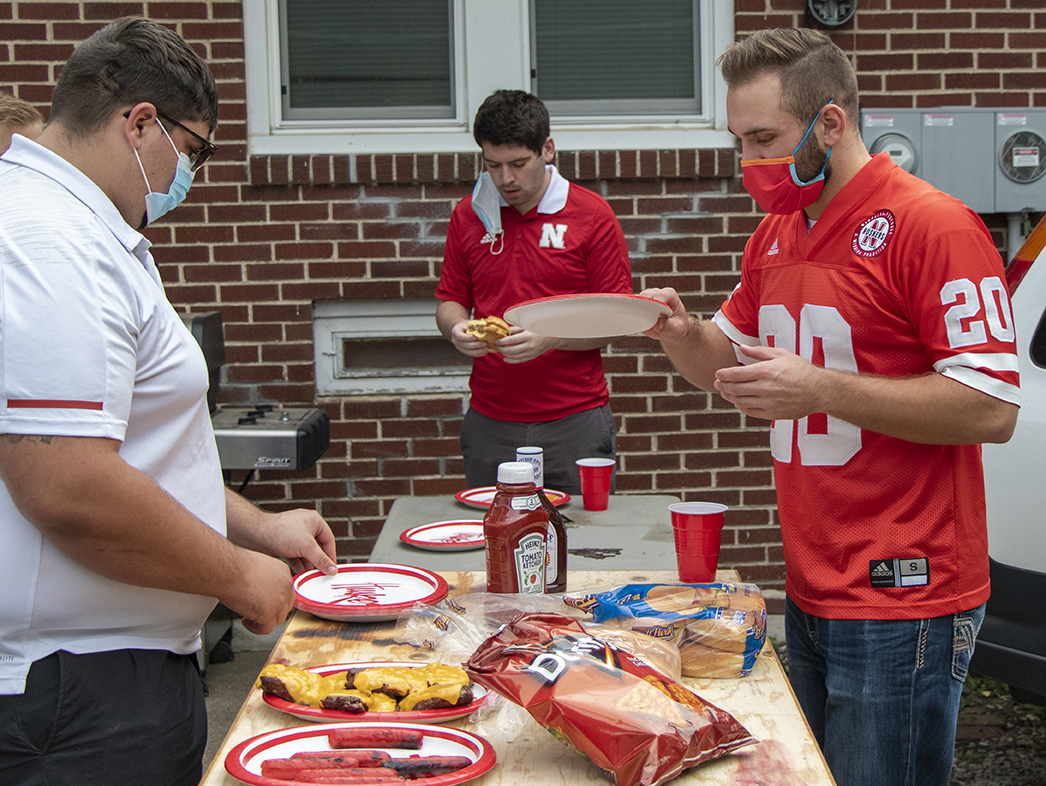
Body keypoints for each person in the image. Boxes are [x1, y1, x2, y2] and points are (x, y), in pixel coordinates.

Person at [641, 28, 1021, 786]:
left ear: (831, 123)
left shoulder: (934, 224)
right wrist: (678, 333)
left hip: (905, 589)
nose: (748, 162)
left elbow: (990, 407)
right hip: (813, 576)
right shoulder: (777, 233)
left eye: (764, 139)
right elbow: (727, 359)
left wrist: (820, 388)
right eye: (737, 141)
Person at [0, 17, 338, 786]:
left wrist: (258, 525)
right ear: (140, 122)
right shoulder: (50, 241)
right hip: (77, 695)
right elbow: (69, 485)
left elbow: (136, 457)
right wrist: (236, 575)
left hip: (107, 679)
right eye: (192, 152)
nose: (191, 175)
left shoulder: (83, 227)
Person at [435, 90, 632, 494]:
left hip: (574, 422)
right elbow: (450, 301)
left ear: (547, 149)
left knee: (587, 548)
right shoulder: (468, 215)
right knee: (491, 546)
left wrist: (551, 339)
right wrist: (457, 328)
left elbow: (620, 316)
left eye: (518, 163)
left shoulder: (592, 215)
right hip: (490, 420)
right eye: (493, 165)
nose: (506, 178)